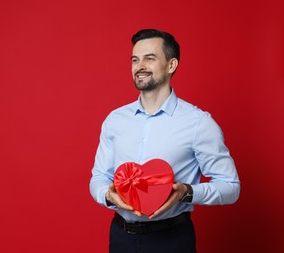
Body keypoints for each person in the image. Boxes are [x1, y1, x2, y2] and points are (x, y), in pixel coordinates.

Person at [89, 28, 240, 253]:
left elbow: (231, 187)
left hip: (171, 240)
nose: (140, 66)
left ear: (171, 65)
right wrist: (107, 195)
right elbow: (99, 177)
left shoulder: (198, 123)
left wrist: (187, 192)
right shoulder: (115, 120)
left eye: (149, 59)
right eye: (135, 59)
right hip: (121, 237)